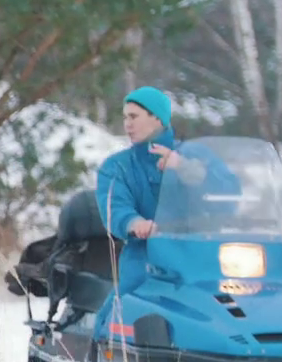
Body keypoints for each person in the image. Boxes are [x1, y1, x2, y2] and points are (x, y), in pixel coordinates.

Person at [91, 86, 231, 329]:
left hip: (200, 256)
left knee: (239, 310)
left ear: (157, 117)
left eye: (133, 117)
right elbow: (114, 205)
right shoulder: (117, 166)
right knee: (114, 313)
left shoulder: (196, 155)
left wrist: (185, 168)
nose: (127, 124)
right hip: (145, 259)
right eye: (125, 118)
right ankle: (98, 349)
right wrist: (134, 223)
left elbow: (229, 193)